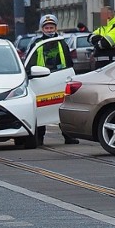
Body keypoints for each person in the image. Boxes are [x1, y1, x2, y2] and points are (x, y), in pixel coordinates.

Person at [29, 14, 79, 145]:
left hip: (60, 78)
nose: (49, 30)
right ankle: (39, 137)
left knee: (63, 108)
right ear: (42, 29)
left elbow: (68, 61)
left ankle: (68, 135)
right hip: (42, 80)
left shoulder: (61, 43)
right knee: (41, 109)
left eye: (51, 27)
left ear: (56, 28)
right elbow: (31, 62)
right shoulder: (37, 44)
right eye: (47, 28)